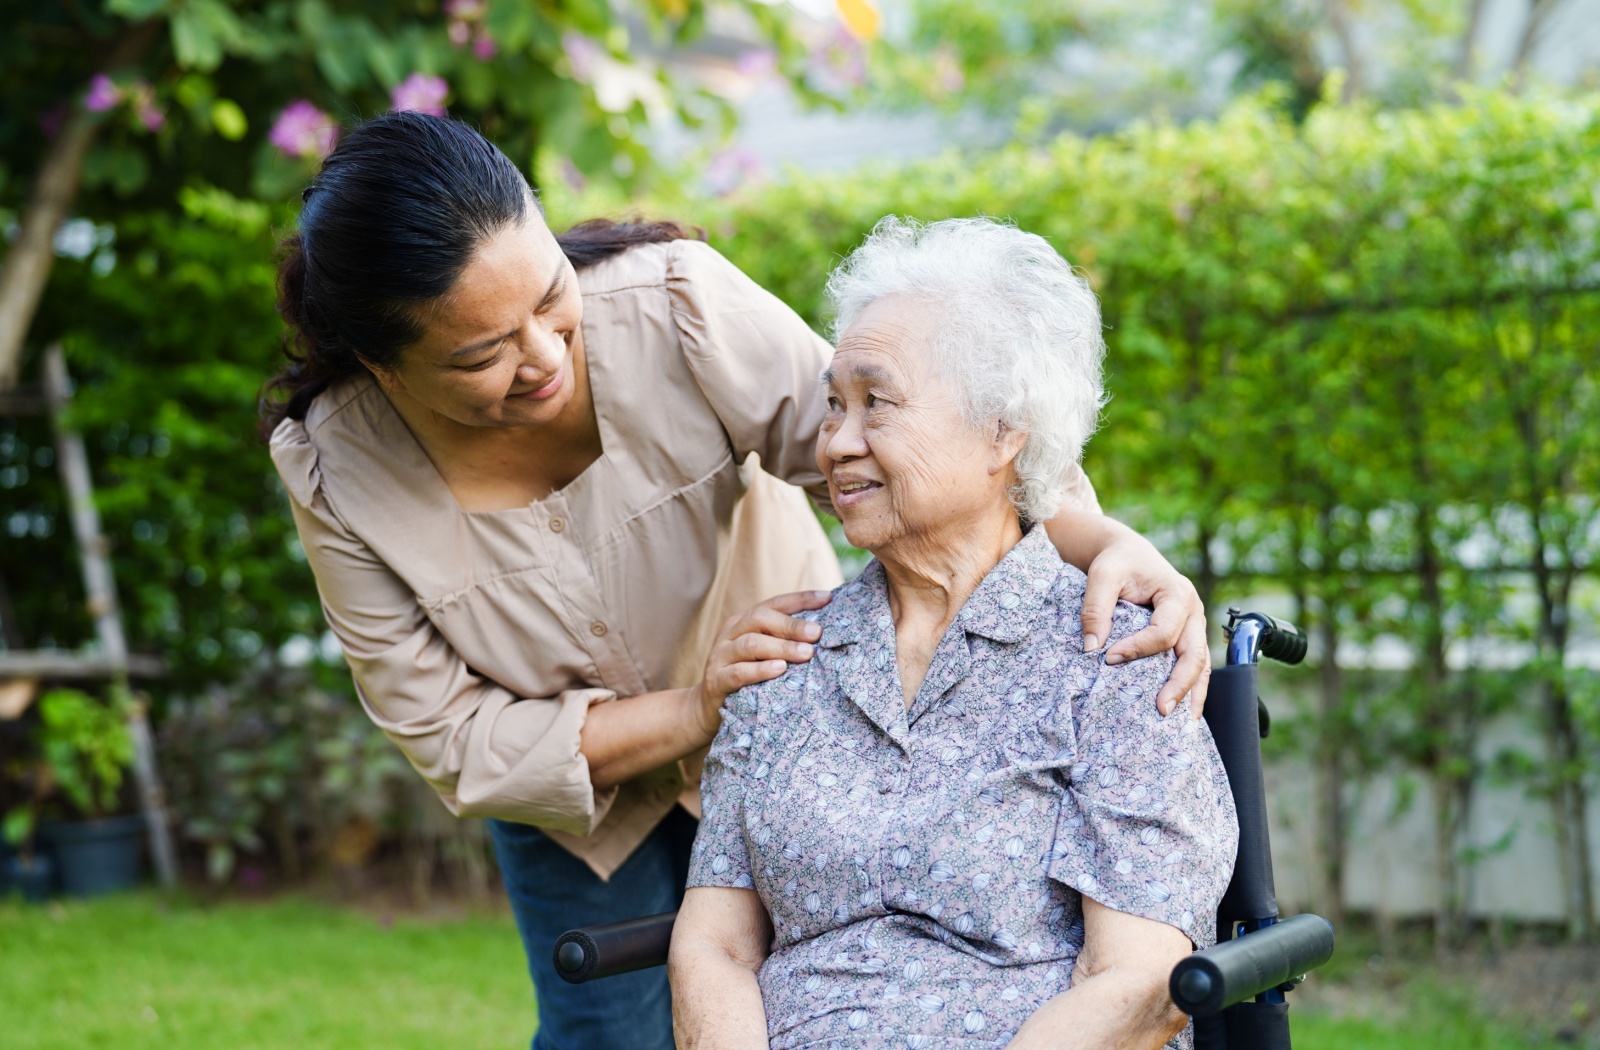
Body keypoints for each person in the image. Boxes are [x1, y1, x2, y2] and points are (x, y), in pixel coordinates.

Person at [262, 113, 1215, 1050]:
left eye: (551, 297)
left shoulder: (669, 305)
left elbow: (929, 441)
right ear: (384, 367)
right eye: (482, 354)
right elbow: (454, 736)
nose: (545, 357)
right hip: (620, 781)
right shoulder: (334, 467)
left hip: (829, 706)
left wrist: (1110, 545)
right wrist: (705, 707)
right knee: (607, 1036)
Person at [670, 217, 1239, 1050]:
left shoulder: (1116, 659)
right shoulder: (785, 658)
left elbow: (1139, 981)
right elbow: (714, 946)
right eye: (834, 404)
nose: (836, 442)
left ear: (1004, 433)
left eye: (878, 402)